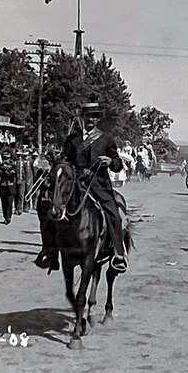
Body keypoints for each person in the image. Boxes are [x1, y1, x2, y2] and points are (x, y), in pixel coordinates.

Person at [40, 102, 129, 273]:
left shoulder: (106, 139)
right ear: (83, 117)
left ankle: (118, 254)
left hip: (99, 185)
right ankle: (50, 252)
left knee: (114, 215)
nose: (91, 119)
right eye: (88, 116)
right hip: (75, 184)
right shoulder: (72, 139)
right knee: (50, 211)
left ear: (98, 119)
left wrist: (111, 161)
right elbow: (65, 161)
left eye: (95, 116)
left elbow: (117, 163)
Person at [0, 149, 17, 224]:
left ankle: (9, 217)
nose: (6, 160)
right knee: (4, 203)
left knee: (10, 203)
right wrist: (3, 168)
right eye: (4, 158)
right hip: (3, 186)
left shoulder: (13, 165)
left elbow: (14, 174)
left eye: (7, 158)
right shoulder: (0, 166)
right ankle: (5, 216)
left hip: (11, 187)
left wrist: (7, 169)